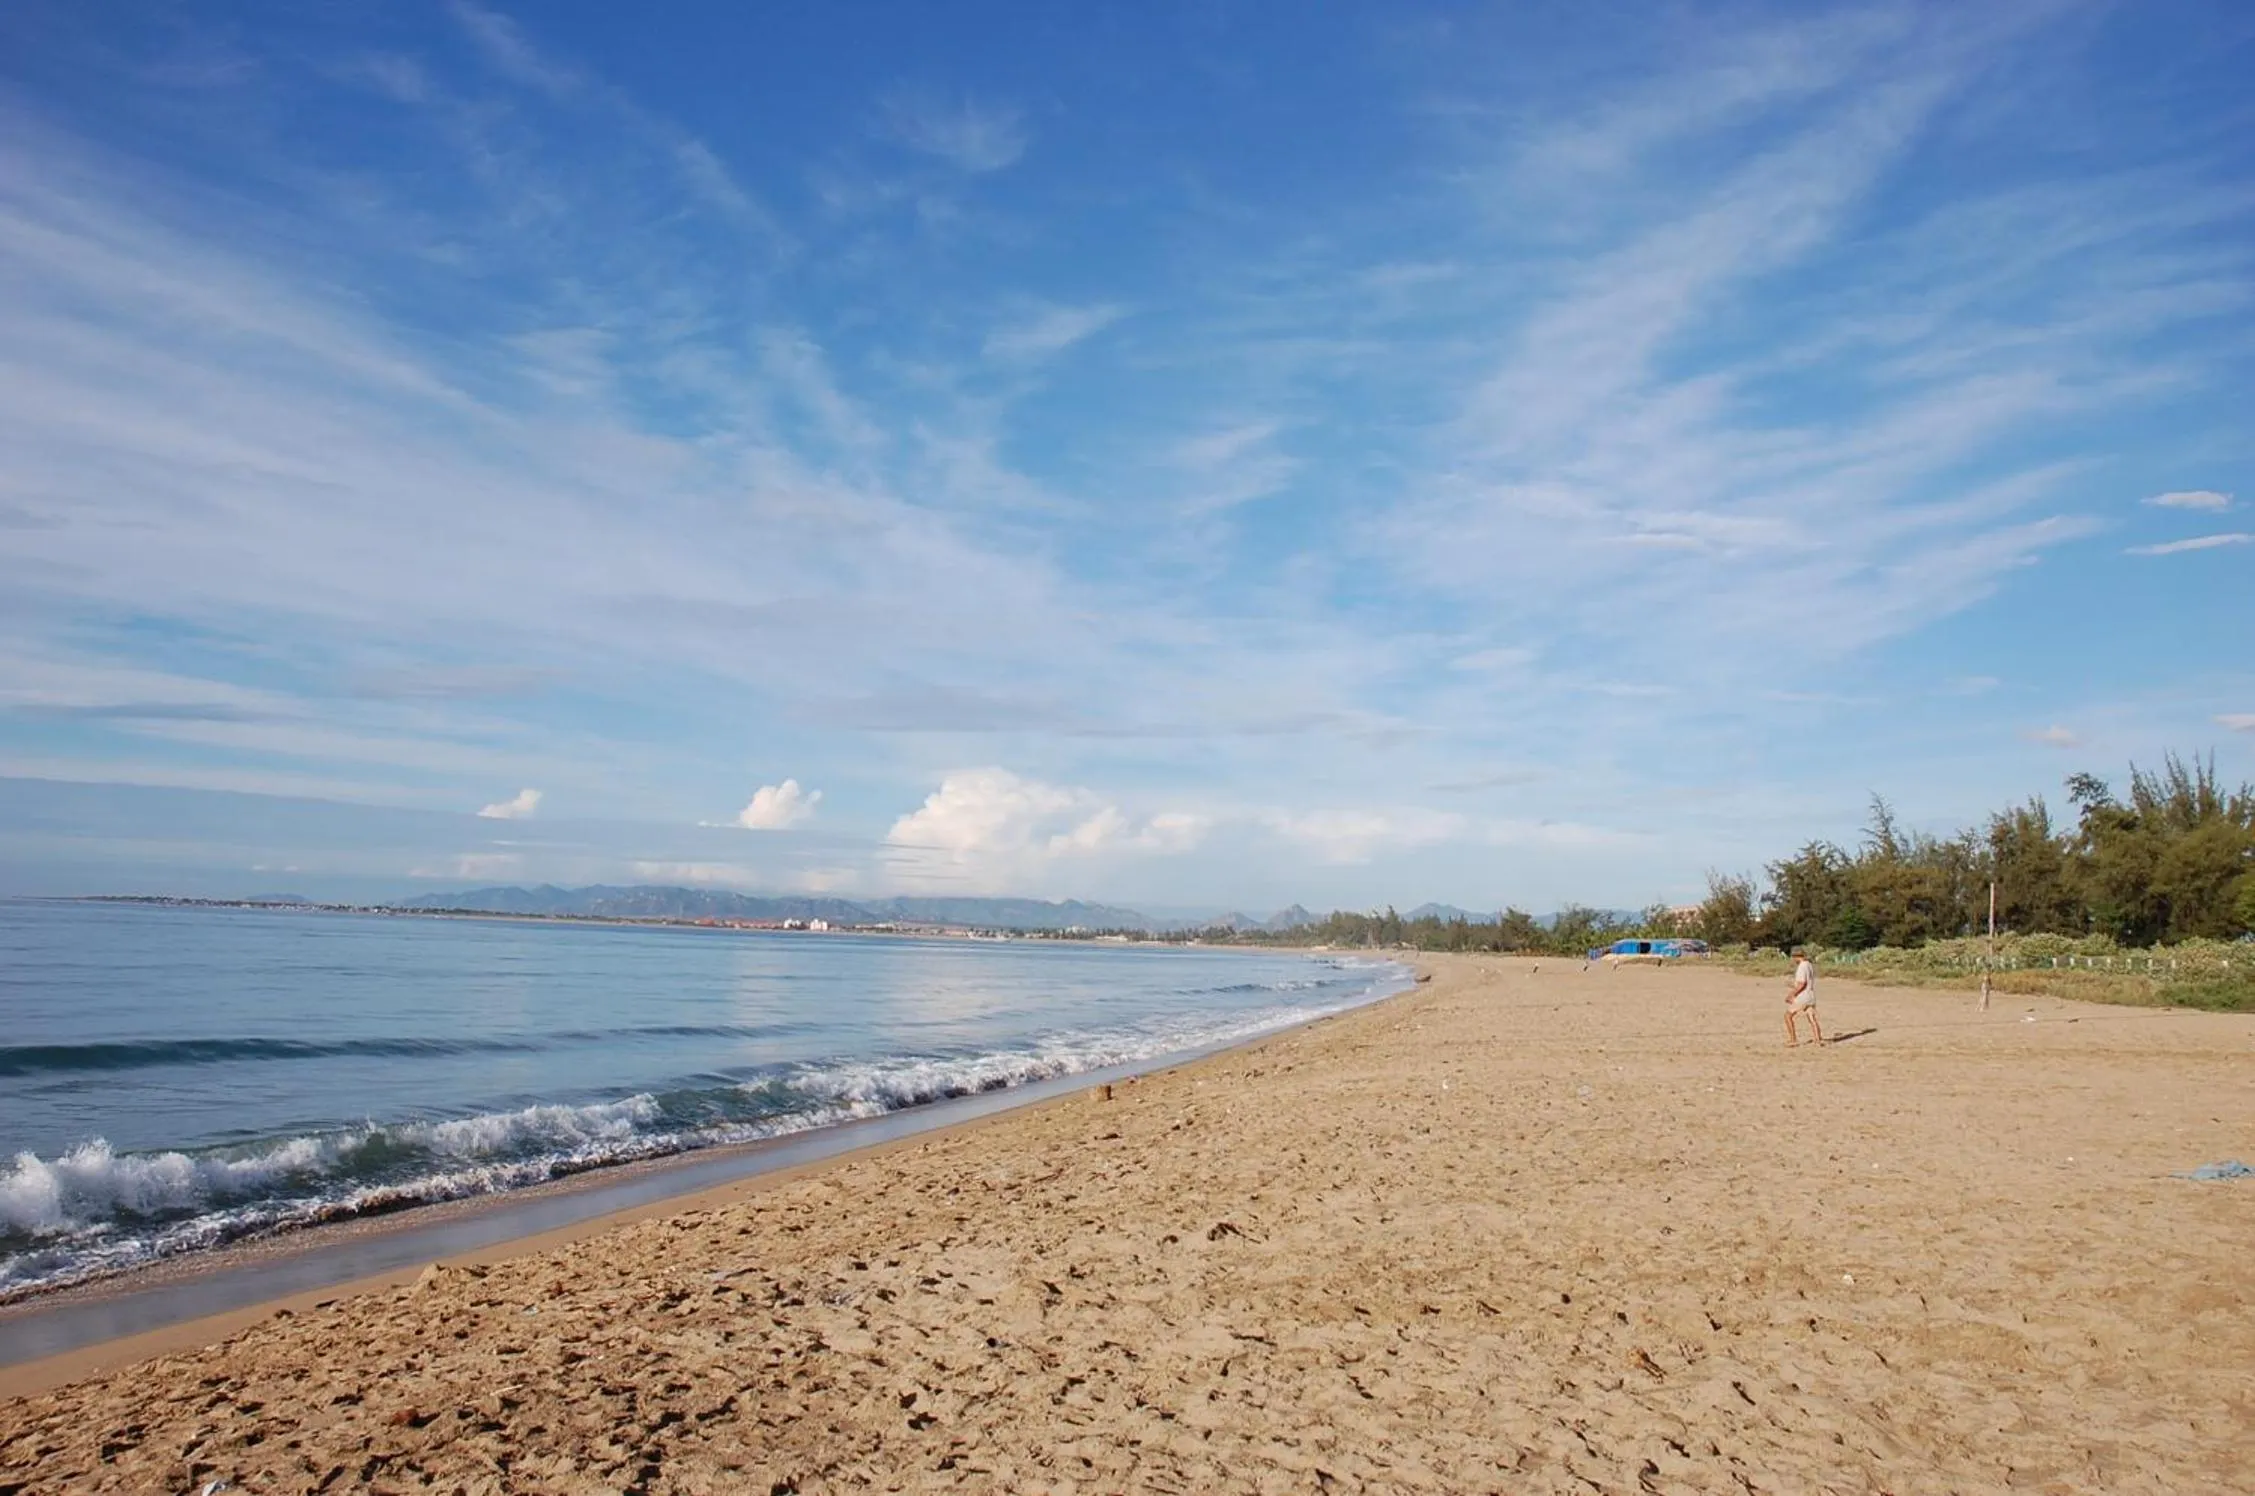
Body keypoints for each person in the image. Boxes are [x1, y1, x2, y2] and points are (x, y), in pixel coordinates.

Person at [1784, 947, 1823, 1047]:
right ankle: (1818, 1040)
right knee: (1812, 1018)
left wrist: (1791, 994)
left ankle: (1793, 1039)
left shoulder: (1802, 966)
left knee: (1788, 1016)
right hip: (1810, 995)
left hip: (1803, 997)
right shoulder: (1809, 965)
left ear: (1796, 956)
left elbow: (1802, 984)